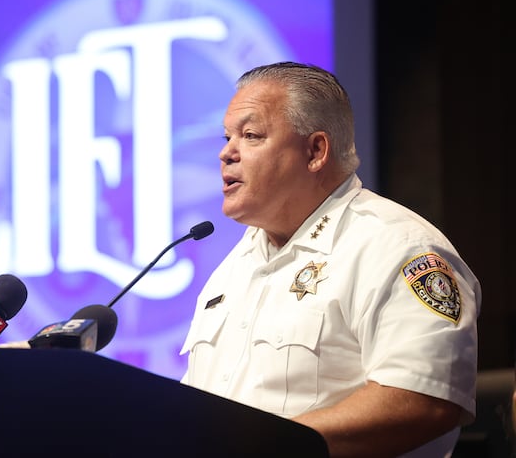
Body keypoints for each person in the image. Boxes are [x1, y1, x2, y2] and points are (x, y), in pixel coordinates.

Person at [180, 61, 481, 457]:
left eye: (250, 135)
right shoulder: (235, 267)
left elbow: (427, 400)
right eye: (227, 137)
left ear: (315, 150)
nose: (226, 153)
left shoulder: (398, 246)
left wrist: (266, 445)